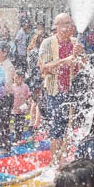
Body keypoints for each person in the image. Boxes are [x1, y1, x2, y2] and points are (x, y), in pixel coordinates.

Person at [38, 13, 84, 163]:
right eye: (64, 24)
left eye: (70, 23)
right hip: (55, 91)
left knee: (71, 129)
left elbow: (83, 67)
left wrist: (80, 57)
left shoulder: (75, 43)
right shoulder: (47, 43)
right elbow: (44, 68)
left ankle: (66, 158)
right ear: (56, 26)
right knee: (57, 130)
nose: (68, 27)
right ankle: (57, 162)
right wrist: (65, 61)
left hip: (73, 91)